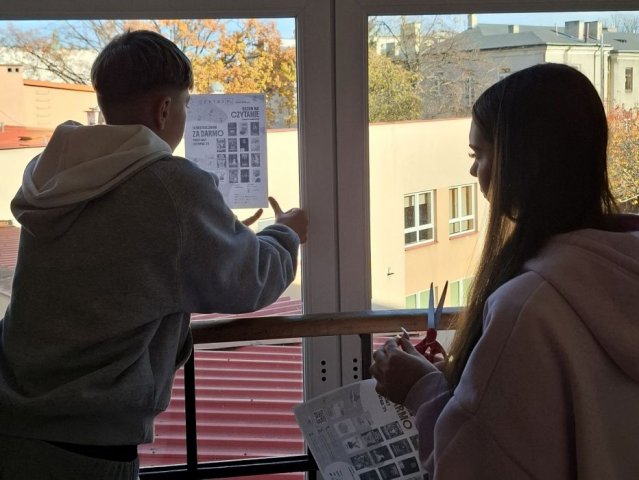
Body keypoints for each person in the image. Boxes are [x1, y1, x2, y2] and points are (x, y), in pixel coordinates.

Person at [0, 30, 307, 479]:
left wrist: (206, 237)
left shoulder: (56, 172)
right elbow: (250, 280)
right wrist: (287, 233)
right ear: (164, 109)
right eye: (185, 104)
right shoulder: (169, 185)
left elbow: (122, 254)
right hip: (89, 447)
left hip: (14, 427)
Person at [370, 63, 639, 479]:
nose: (473, 171)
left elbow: (469, 465)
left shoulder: (526, 306)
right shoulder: (619, 268)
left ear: (523, 163)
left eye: (478, 155)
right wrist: (467, 377)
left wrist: (420, 389)